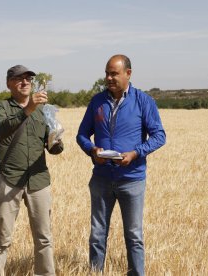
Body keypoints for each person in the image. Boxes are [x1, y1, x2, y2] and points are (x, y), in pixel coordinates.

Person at [76, 54, 166, 275]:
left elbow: (159, 136)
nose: (109, 77)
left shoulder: (143, 101)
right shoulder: (97, 101)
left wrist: (135, 153)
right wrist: (92, 150)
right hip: (101, 179)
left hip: (132, 180)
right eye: (107, 73)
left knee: (134, 235)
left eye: (114, 73)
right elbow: (81, 135)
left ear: (128, 73)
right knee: (97, 234)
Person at [0, 65, 63, 276]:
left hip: (38, 179)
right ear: (9, 83)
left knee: (44, 238)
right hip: (9, 178)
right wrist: (28, 108)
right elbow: (2, 129)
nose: (25, 82)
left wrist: (56, 142)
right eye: (19, 79)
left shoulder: (44, 110)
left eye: (28, 79)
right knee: (2, 238)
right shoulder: (0, 106)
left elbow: (53, 147)